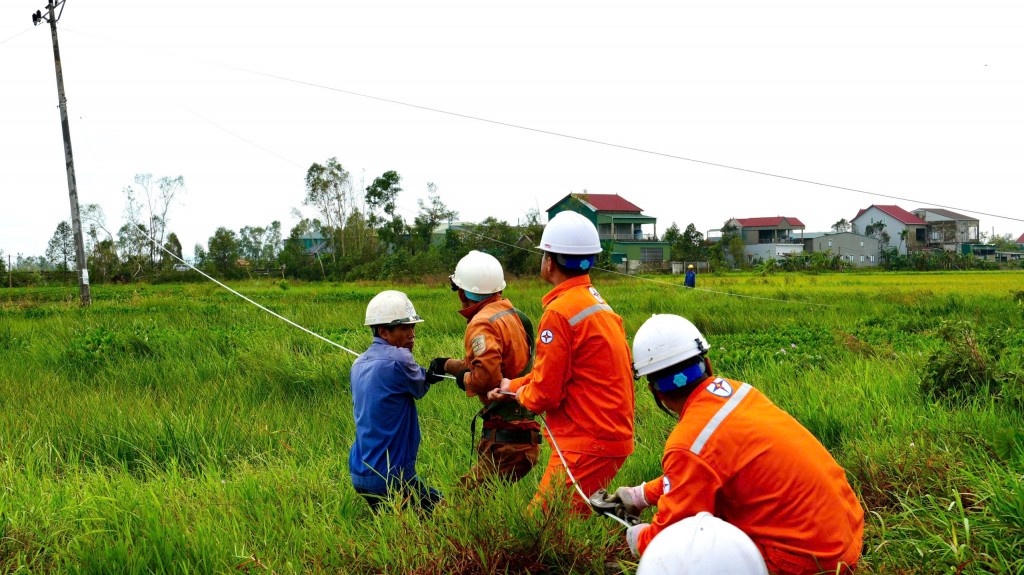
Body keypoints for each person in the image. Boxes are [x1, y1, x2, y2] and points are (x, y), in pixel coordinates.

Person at [606, 314, 863, 574]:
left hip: (809, 562)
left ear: (653, 391)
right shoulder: (741, 393)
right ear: (707, 363)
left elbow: (672, 532)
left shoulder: (687, 443)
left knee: (695, 546)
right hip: (846, 536)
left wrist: (639, 539)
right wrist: (641, 495)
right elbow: (698, 472)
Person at [489, 210, 635, 514]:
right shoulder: (595, 302)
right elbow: (555, 373)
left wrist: (519, 394)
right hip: (604, 437)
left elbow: (545, 394)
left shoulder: (559, 313)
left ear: (550, 261)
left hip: (587, 443)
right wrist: (511, 385)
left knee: (540, 528)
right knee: (566, 527)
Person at [430, 250, 541, 487]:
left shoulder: (481, 323)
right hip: (520, 434)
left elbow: (487, 377)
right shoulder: (514, 315)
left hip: (507, 440)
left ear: (461, 292)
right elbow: (498, 364)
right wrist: (447, 365)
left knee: (460, 506)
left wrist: (465, 380)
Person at [349, 290, 444, 513]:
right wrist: (440, 369)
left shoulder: (357, 363)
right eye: (404, 328)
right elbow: (420, 387)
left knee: (395, 529)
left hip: (360, 473)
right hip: (392, 475)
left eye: (413, 327)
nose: (412, 334)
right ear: (383, 331)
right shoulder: (399, 357)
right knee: (443, 513)